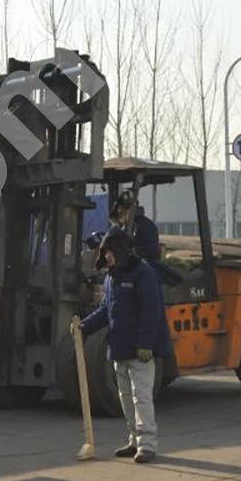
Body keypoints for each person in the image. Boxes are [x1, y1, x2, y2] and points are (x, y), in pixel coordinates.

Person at [77, 228, 173, 464]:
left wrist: (145, 344)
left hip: (139, 351)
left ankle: (147, 445)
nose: (108, 256)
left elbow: (151, 312)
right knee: (126, 397)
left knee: (141, 397)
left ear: (123, 251)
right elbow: (105, 310)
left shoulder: (143, 274)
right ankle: (134, 440)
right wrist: (84, 326)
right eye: (106, 252)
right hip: (119, 348)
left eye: (111, 252)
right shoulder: (111, 277)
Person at [110, 189, 161, 263]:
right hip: (151, 260)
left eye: (120, 210)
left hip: (142, 261)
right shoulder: (147, 222)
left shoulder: (132, 225)